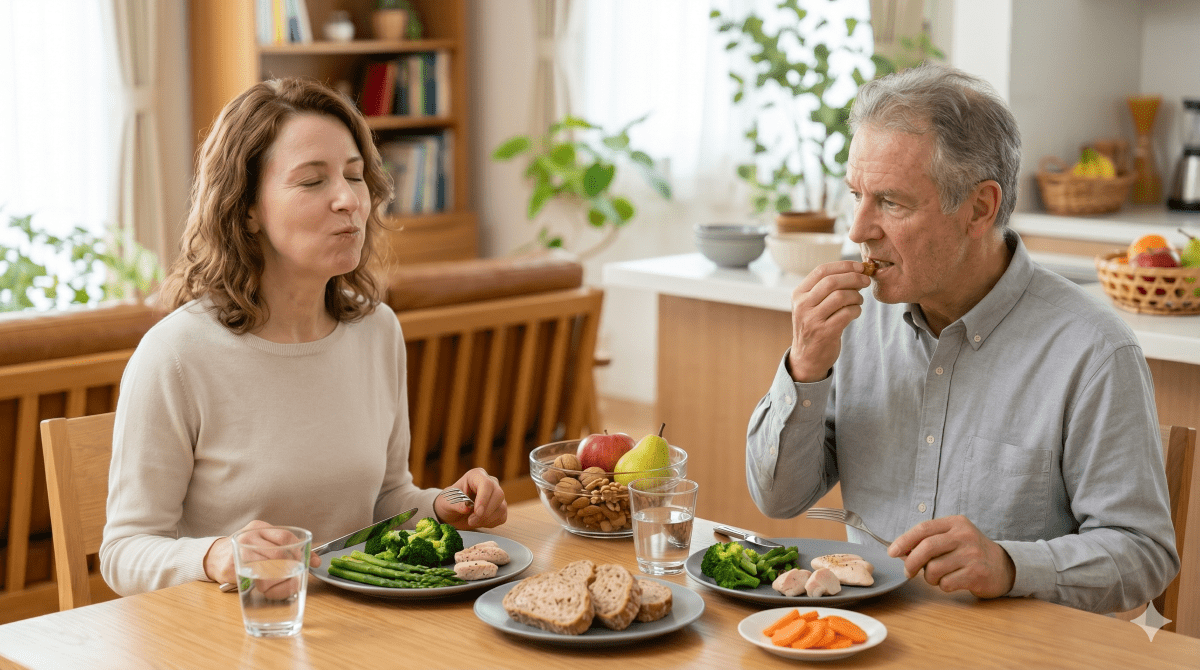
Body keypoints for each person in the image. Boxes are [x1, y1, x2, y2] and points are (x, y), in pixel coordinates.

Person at [745, 64, 1179, 614]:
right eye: (856, 194)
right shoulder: (852, 324)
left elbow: (1144, 556)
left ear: (980, 208)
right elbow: (778, 499)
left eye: (891, 202)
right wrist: (804, 368)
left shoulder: (1093, 353)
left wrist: (1010, 564)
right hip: (865, 640)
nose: (857, 229)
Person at [100, 77, 507, 596]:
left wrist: (444, 505)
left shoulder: (377, 331)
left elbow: (384, 498)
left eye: (355, 176)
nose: (348, 200)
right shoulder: (175, 355)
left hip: (354, 629)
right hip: (232, 635)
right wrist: (217, 555)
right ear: (246, 208)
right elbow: (124, 552)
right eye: (312, 181)